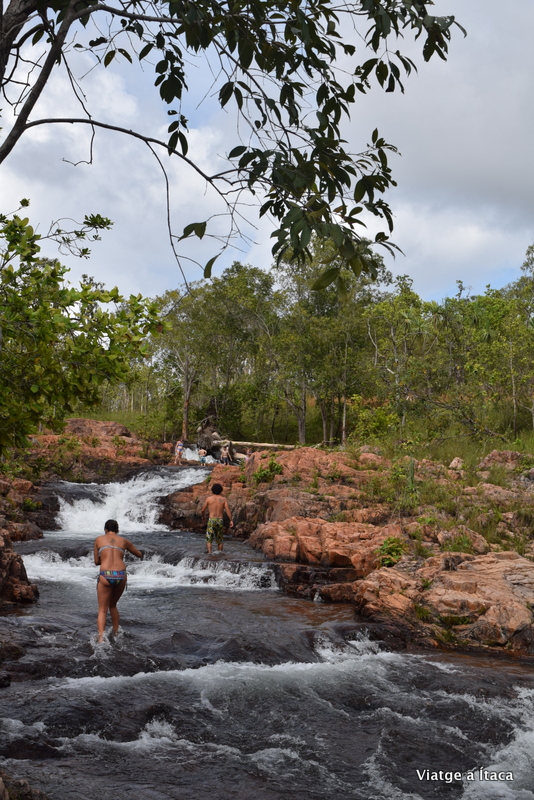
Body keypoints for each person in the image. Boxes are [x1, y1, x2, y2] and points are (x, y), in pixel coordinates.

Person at [93, 519, 143, 642]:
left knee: (102, 609)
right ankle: (116, 633)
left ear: (105, 530)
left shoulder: (99, 539)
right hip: (121, 575)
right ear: (117, 530)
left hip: (106, 575)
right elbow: (139, 555)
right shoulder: (124, 541)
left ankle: (101, 639)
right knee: (113, 605)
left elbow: (96, 562)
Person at [200, 483, 233, 554]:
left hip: (212, 519)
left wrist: (202, 516)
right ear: (221, 491)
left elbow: (203, 510)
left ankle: (209, 553)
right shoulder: (223, 499)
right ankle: (219, 553)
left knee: (209, 538)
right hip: (220, 520)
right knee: (220, 539)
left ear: (212, 490)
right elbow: (228, 510)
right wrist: (231, 520)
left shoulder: (209, 499)